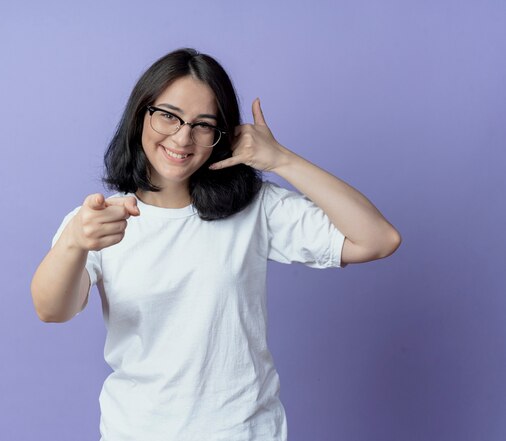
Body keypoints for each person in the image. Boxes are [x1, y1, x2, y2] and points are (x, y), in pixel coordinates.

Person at [31, 48, 401, 441]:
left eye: (203, 124)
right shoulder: (99, 219)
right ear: (142, 115)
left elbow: (378, 239)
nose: (182, 136)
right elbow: (51, 310)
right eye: (168, 116)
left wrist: (281, 160)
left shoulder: (254, 208)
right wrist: (74, 241)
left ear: (221, 135)